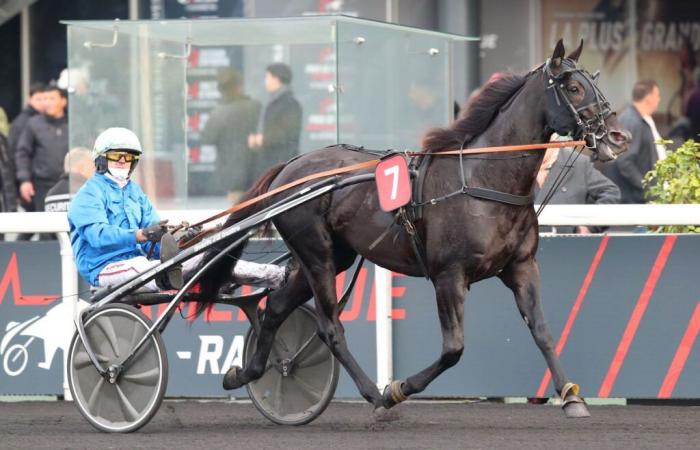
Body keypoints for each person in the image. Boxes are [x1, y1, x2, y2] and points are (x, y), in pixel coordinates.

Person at [68, 127, 287, 293]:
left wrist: (182, 237)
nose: (124, 162)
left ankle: (279, 276)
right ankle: (167, 275)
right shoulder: (87, 195)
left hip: (144, 263)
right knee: (145, 266)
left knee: (210, 258)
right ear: (101, 159)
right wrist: (140, 234)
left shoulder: (135, 193)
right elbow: (97, 236)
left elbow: (157, 235)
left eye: (129, 157)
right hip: (104, 268)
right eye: (117, 156)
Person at [200, 68, 261, 201]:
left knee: (237, 213)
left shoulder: (219, 113)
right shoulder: (255, 106)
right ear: (239, 86)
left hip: (231, 173)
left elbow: (207, 138)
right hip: (256, 169)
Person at [535, 142, 621, 234]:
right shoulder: (519, 161)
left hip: (567, 242)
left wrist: (590, 226)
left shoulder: (577, 162)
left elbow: (610, 192)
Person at [601, 80, 663, 203]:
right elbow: (625, 161)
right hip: (632, 199)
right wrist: (646, 187)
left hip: (637, 197)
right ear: (649, 98)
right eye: (657, 96)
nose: (659, 100)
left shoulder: (638, 119)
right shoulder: (632, 121)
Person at [15, 85, 68, 214]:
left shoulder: (72, 122)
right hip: (43, 185)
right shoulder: (34, 123)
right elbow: (22, 153)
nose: (47, 103)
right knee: (46, 229)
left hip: (68, 183)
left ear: (63, 101)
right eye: (45, 99)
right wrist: (24, 180)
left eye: (51, 98)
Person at [248, 63, 302, 180]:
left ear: (276, 79)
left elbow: (287, 133)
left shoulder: (290, 104)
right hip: (270, 163)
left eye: (267, 77)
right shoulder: (273, 102)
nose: (265, 81)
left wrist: (263, 139)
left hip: (281, 165)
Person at [6, 82, 46, 215]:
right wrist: (19, 182)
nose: (42, 103)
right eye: (38, 99)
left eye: (44, 99)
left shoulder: (43, 120)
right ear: (30, 99)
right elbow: (13, 154)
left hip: (34, 180)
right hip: (26, 180)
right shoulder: (23, 122)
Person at [44, 147, 94, 213]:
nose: (95, 172)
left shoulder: (51, 194)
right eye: (92, 168)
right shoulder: (90, 191)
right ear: (82, 168)